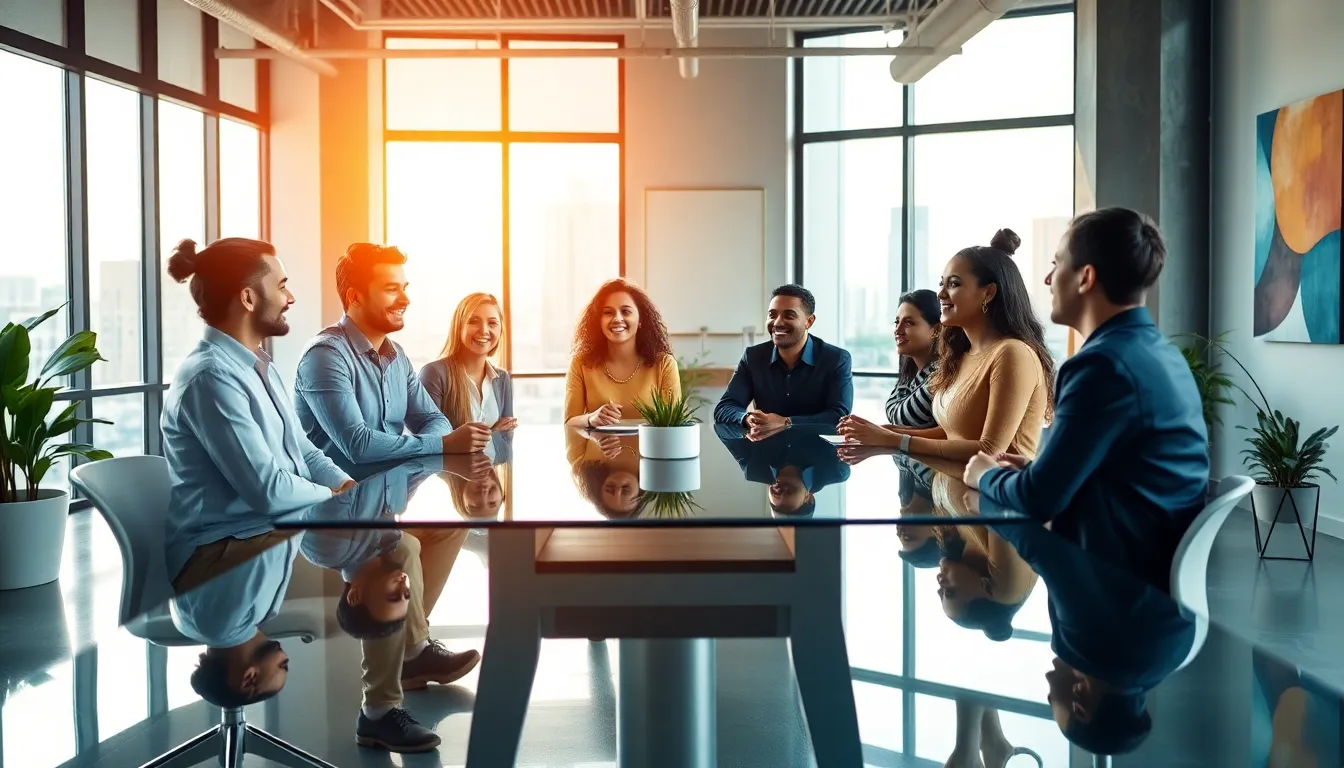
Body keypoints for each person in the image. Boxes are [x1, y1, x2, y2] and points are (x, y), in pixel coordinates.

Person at [964, 209, 1209, 593]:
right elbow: (1126, 470)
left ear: (1086, 277)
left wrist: (984, 474)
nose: (1047, 279)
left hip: (1109, 593)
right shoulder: (1161, 353)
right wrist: (1039, 470)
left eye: (1056, 264)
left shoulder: (1101, 365)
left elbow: (1038, 500)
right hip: (1146, 582)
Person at [161, 237, 354, 583]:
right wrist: (330, 496)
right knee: (380, 559)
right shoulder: (211, 378)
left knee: (389, 546)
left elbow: (304, 450)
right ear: (248, 298)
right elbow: (268, 490)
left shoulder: (260, 366)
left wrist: (346, 486)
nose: (290, 298)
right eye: (281, 286)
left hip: (270, 532)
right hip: (222, 555)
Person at [301, 456, 491, 753]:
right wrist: (435, 455)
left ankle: (412, 650)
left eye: (398, 596)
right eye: (401, 597)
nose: (405, 588)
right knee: (401, 552)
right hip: (339, 502)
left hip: (358, 502)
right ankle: (379, 708)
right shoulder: (332, 542)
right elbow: (370, 459)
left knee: (443, 532)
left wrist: (443, 458)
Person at [838, 230, 1053, 461]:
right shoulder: (964, 355)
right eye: (942, 284)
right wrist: (884, 431)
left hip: (994, 485)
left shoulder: (1012, 353)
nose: (940, 294)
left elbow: (991, 451)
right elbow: (950, 434)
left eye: (953, 284)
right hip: (952, 483)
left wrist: (894, 440)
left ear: (988, 293)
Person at [294, 243, 489, 468]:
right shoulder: (324, 356)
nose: (405, 299)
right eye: (391, 289)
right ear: (355, 297)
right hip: (345, 490)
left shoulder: (397, 356)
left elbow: (434, 420)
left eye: (404, 288)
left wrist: (435, 443)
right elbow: (359, 446)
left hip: (396, 487)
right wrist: (442, 444)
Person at [714, 284, 854, 431]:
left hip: (816, 444)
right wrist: (747, 418)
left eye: (789, 315)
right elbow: (725, 407)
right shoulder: (753, 357)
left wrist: (786, 422)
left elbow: (839, 416)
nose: (777, 322)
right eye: (772, 315)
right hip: (766, 444)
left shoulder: (837, 359)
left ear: (809, 321)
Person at [564, 278, 681, 428]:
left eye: (626, 312)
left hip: (649, 445)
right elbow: (570, 422)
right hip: (597, 444)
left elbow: (674, 425)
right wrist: (591, 419)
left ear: (640, 320)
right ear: (598, 320)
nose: (617, 319)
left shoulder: (664, 364)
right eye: (608, 313)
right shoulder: (581, 363)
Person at [419, 292, 517, 434]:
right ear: (459, 327)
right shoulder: (434, 374)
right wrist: (493, 433)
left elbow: (506, 440)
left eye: (492, 323)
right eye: (474, 321)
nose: (484, 330)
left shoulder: (502, 378)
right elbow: (430, 441)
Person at [714, 423, 851, 517]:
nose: (780, 494)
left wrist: (747, 431)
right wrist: (788, 422)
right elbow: (843, 427)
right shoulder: (836, 471)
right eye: (789, 493)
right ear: (808, 499)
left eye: (775, 506)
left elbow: (721, 429)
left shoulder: (755, 468)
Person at [887, 288, 942, 428]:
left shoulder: (942, 374)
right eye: (897, 322)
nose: (898, 330)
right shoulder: (911, 373)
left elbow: (901, 418)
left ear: (936, 330)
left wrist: (883, 431)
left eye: (908, 323)